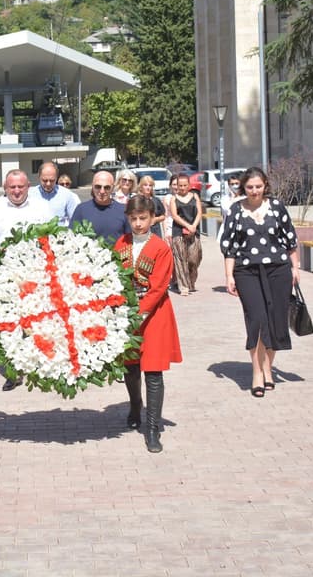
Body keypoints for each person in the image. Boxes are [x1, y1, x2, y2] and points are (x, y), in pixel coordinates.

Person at [221, 167, 300, 398]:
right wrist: (229, 276)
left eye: (258, 186)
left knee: (276, 320)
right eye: (249, 187)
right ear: (243, 188)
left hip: (278, 270)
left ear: (265, 185)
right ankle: (257, 372)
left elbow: (290, 239)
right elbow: (229, 246)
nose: (254, 191)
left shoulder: (276, 207)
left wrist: (295, 267)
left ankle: (268, 368)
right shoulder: (236, 210)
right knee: (256, 319)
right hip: (247, 271)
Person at [113, 196, 182, 453]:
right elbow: (114, 279)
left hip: (154, 315)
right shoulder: (121, 244)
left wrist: (140, 314)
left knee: (153, 371)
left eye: (143, 218)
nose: (139, 223)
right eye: (133, 218)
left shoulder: (160, 248)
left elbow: (159, 285)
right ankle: (134, 405)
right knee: (130, 366)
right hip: (127, 312)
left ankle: (152, 428)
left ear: (152, 218)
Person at [0, 169, 53, 390]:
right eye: (12, 187)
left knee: (37, 322)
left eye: (20, 186)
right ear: (5, 188)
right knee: (8, 326)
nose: (16, 191)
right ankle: (13, 370)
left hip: (35, 276)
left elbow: (51, 239)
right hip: (4, 278)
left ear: (28, 186)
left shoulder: (41, 208)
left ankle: (39, 367)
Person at [70, 170, 130, 246]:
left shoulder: (124, 211)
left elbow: (129, 239)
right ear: (92, 186)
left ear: (113, 188)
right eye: (98, 187)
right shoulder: (81, 209)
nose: (102, 191)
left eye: (107, 187)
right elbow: (72, 237)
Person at [169, 173, 203, 294]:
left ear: (189, 185)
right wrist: (187, 225)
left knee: (194, 259)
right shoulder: (174, 199)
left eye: (185, 185)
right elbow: (174, 215)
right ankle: (183, 287)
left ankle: (191, 281)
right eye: (180, 185)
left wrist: (193, 225)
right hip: (179, 232)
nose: (182, 188)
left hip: (194, 231)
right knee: (180, 260)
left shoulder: (195, 196)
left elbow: (199, 212)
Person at [30, 161, 80, 227]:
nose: (48, 184)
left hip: (59, 235)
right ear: (39, 177)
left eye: (52, 180)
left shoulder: (67, 195)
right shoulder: (30, 194)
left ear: (57, 177)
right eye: (45, 180)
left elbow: (75, 220)